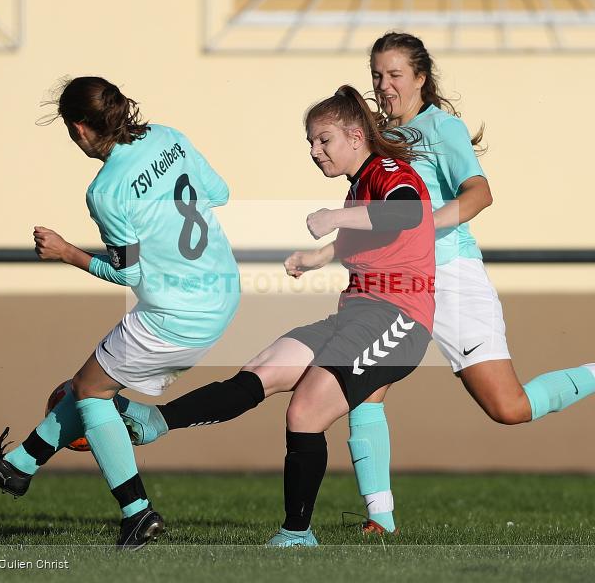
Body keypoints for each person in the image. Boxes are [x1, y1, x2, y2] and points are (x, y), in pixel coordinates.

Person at [346, 31, 595, 535]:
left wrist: (421, 228)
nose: (384, 85)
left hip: (451, 277)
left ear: (420, 78)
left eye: (394, 74)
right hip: (396, 285)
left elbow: (480, 193)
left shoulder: (442, 129)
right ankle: (380, 520)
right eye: (377, 75)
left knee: (509, 408)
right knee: (364, 390)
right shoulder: (375, 138)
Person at [118, 84, 437, 546]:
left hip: (399, 319)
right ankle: (156, 421)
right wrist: (320, 256)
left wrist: (335, 219)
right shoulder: (360, 185)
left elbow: (406, 214)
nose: (315, 151)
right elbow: (380, 235)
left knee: (305, 410)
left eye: (323, 139)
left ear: (355, 135)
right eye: (310, 141)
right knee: (261, 372)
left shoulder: (388, 170)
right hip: (356, 314)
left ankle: (296, 534)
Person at [0, 76, 241, 549]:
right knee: (91, 383)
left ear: (81, 129)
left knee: (89, 392)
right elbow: (219, 192)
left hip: (178, 312)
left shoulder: (106, 191)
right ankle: (18, 467)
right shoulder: (168, 137)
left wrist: (67, 252)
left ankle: (137, 512)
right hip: (223, 291)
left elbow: (127, 275)